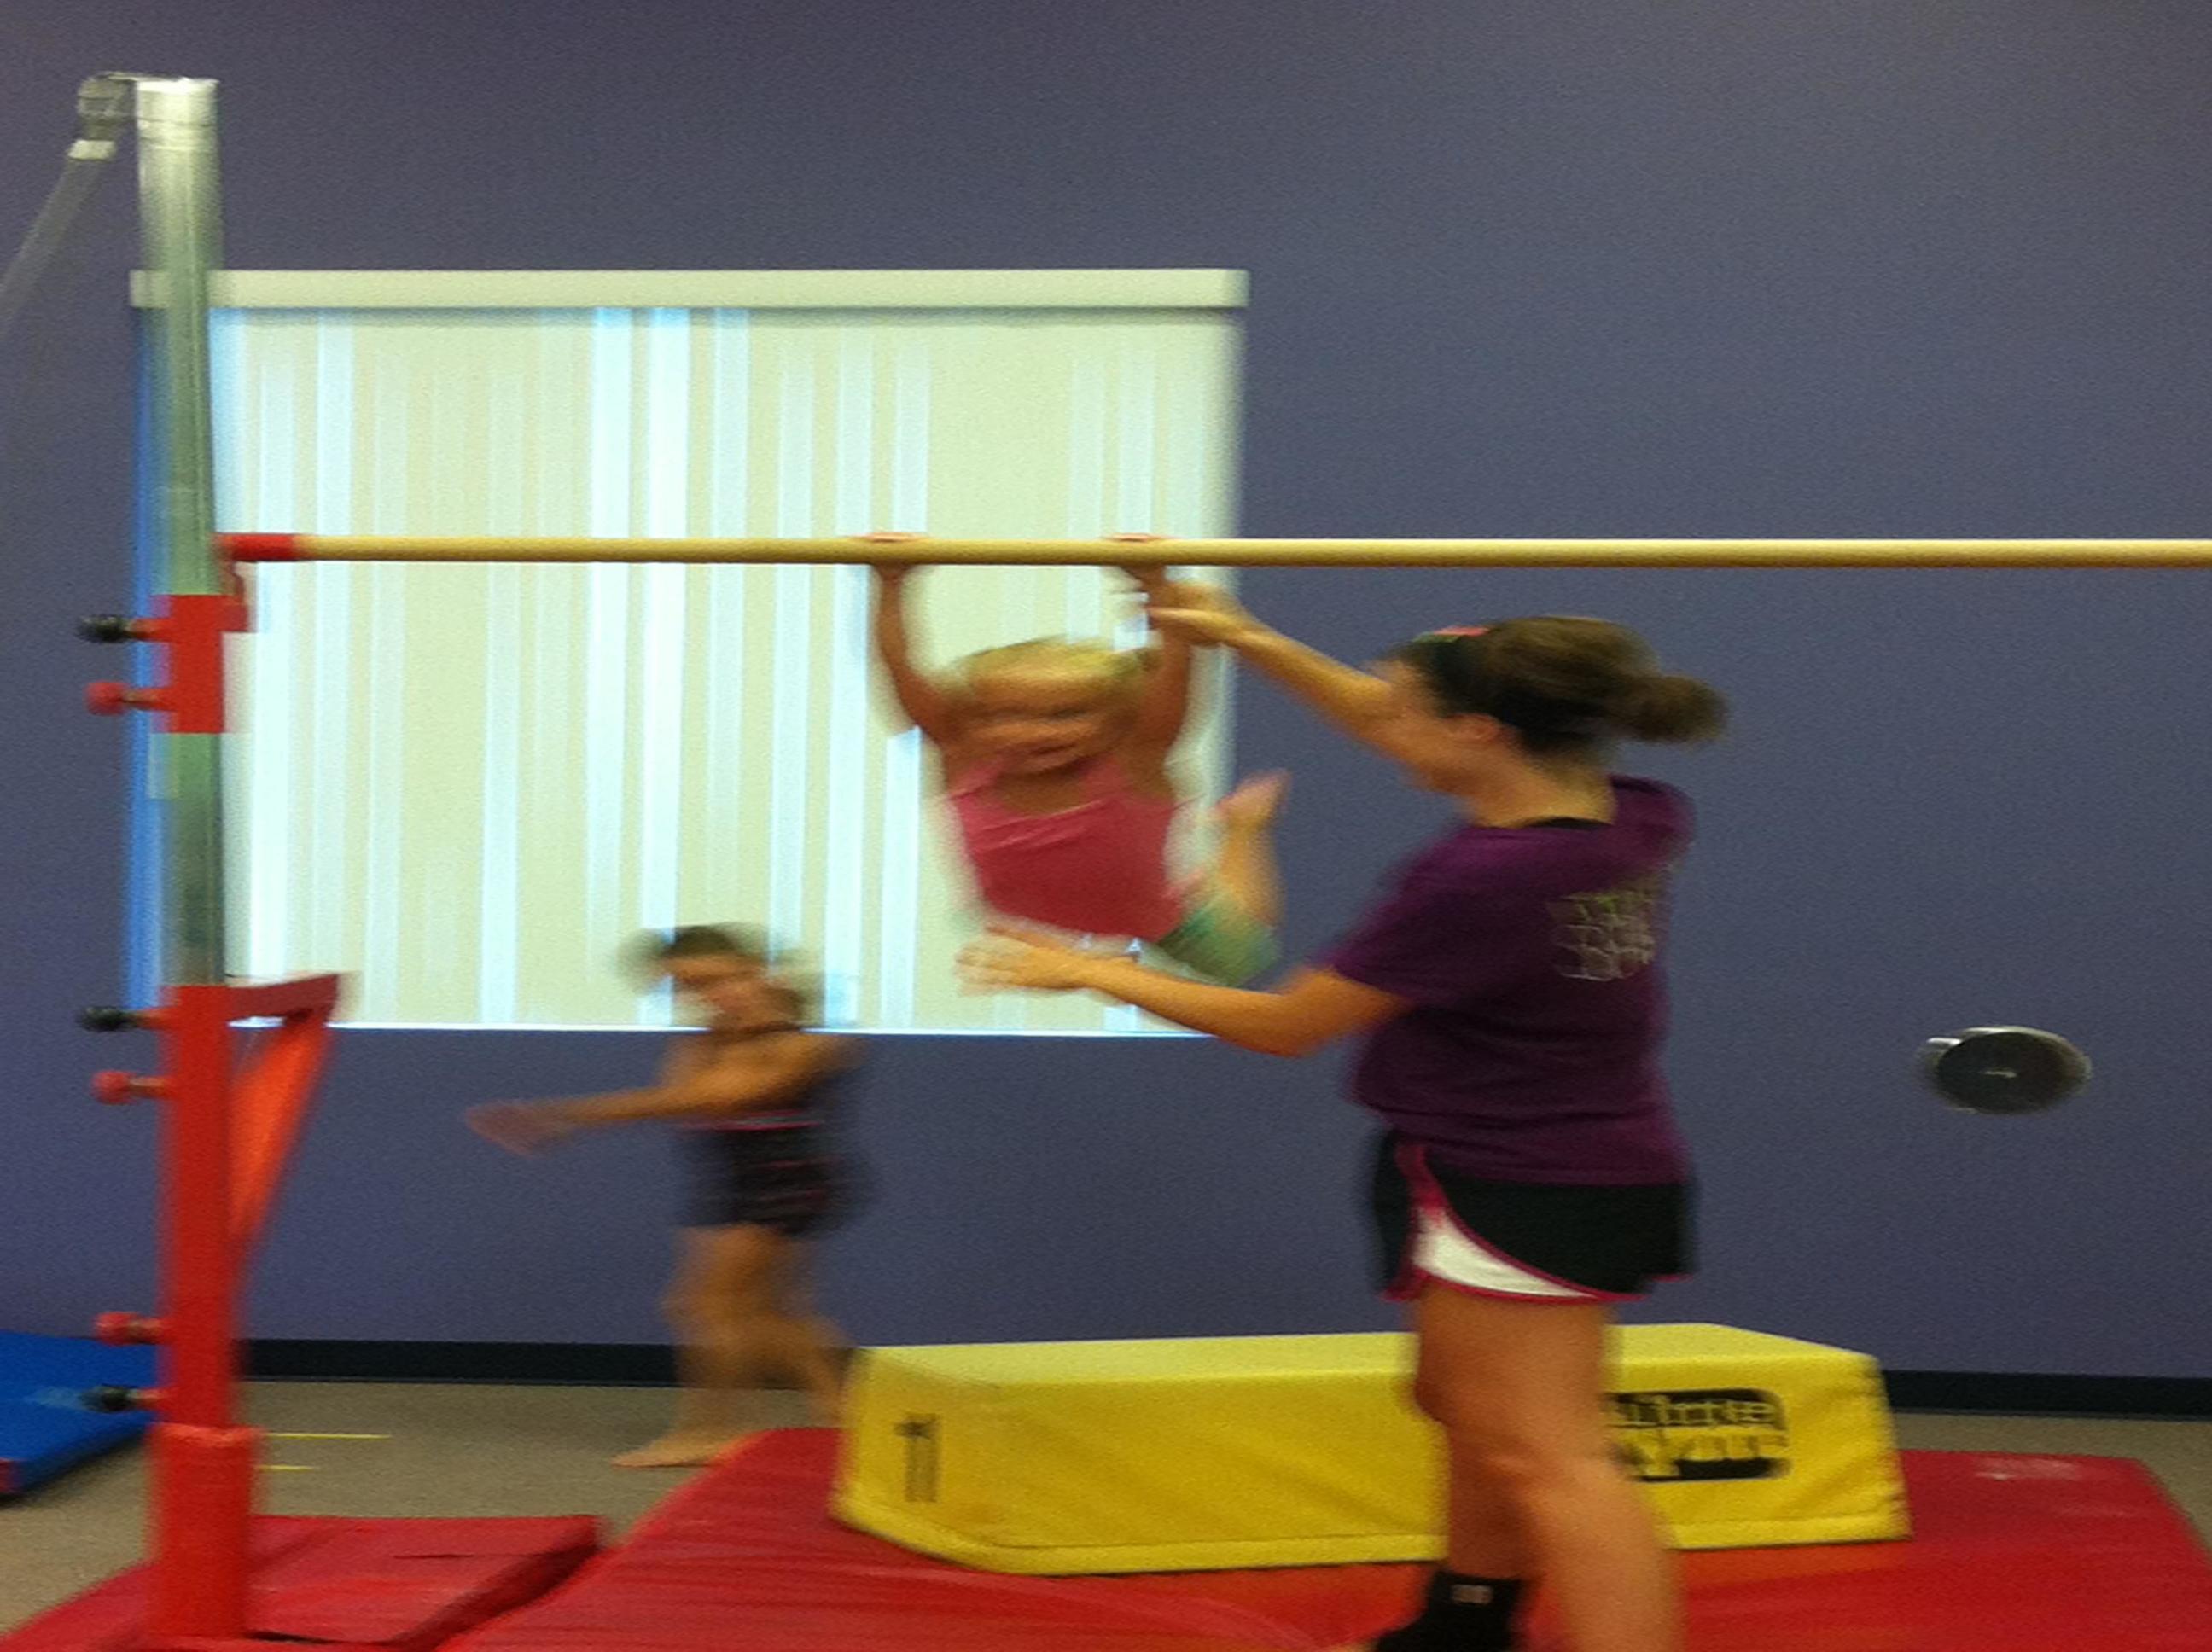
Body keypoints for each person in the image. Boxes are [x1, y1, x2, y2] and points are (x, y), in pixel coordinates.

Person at [958, 587, 1725, 1652]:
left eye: (1399, 711)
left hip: (1529, 1176)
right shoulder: (1631, 810)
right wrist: (1245, 637)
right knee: (1462, 1406)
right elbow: (1393, 718)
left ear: (1478, 731)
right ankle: (1470, 1614)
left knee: (1552, 1454)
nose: (1377, 725)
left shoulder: (1477, 880)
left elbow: (1286, 1026)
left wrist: (1086, 966)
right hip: (1507, 1155)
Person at [468, 925, 858, 1469]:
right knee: (773, 1310)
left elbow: (709, 1099)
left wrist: (563, 1113)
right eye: (690, 987)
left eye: (721, 980)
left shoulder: (808, 1044)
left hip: (784, 1185)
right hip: (735, 1182)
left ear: (758, 972)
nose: (712, 996)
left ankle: (707, 1431)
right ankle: (841, 1414)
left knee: (704, 1306)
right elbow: (680, 1095)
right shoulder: (706, 1041)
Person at [870, 557, 1284, 984]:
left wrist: (1156, 584)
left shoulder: (1134, 764)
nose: (1032, 733)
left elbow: (1176, 673)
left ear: (1118, 721)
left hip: (1155, 918)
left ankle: (1241, 828)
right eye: (1004, 716)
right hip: (1024, 921)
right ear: (970, 721)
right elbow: (897, 665)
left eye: (1065, 715)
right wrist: (890, 582)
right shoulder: (965, 760)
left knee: (1243, 960)